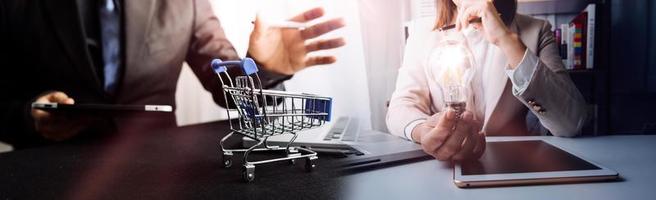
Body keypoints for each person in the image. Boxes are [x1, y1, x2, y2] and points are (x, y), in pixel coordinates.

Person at [0, 0, 346, 148]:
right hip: (47, 171)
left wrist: (262, 66)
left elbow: (223, 84)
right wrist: (27, 116)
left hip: (156, 171)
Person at [387, 0, 587, 161]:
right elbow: (400, 108)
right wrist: (425, 132)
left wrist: (507, 40)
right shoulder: (422, 33)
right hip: (444, 165)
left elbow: (571, 122)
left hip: (514, 163)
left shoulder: (536, 30)